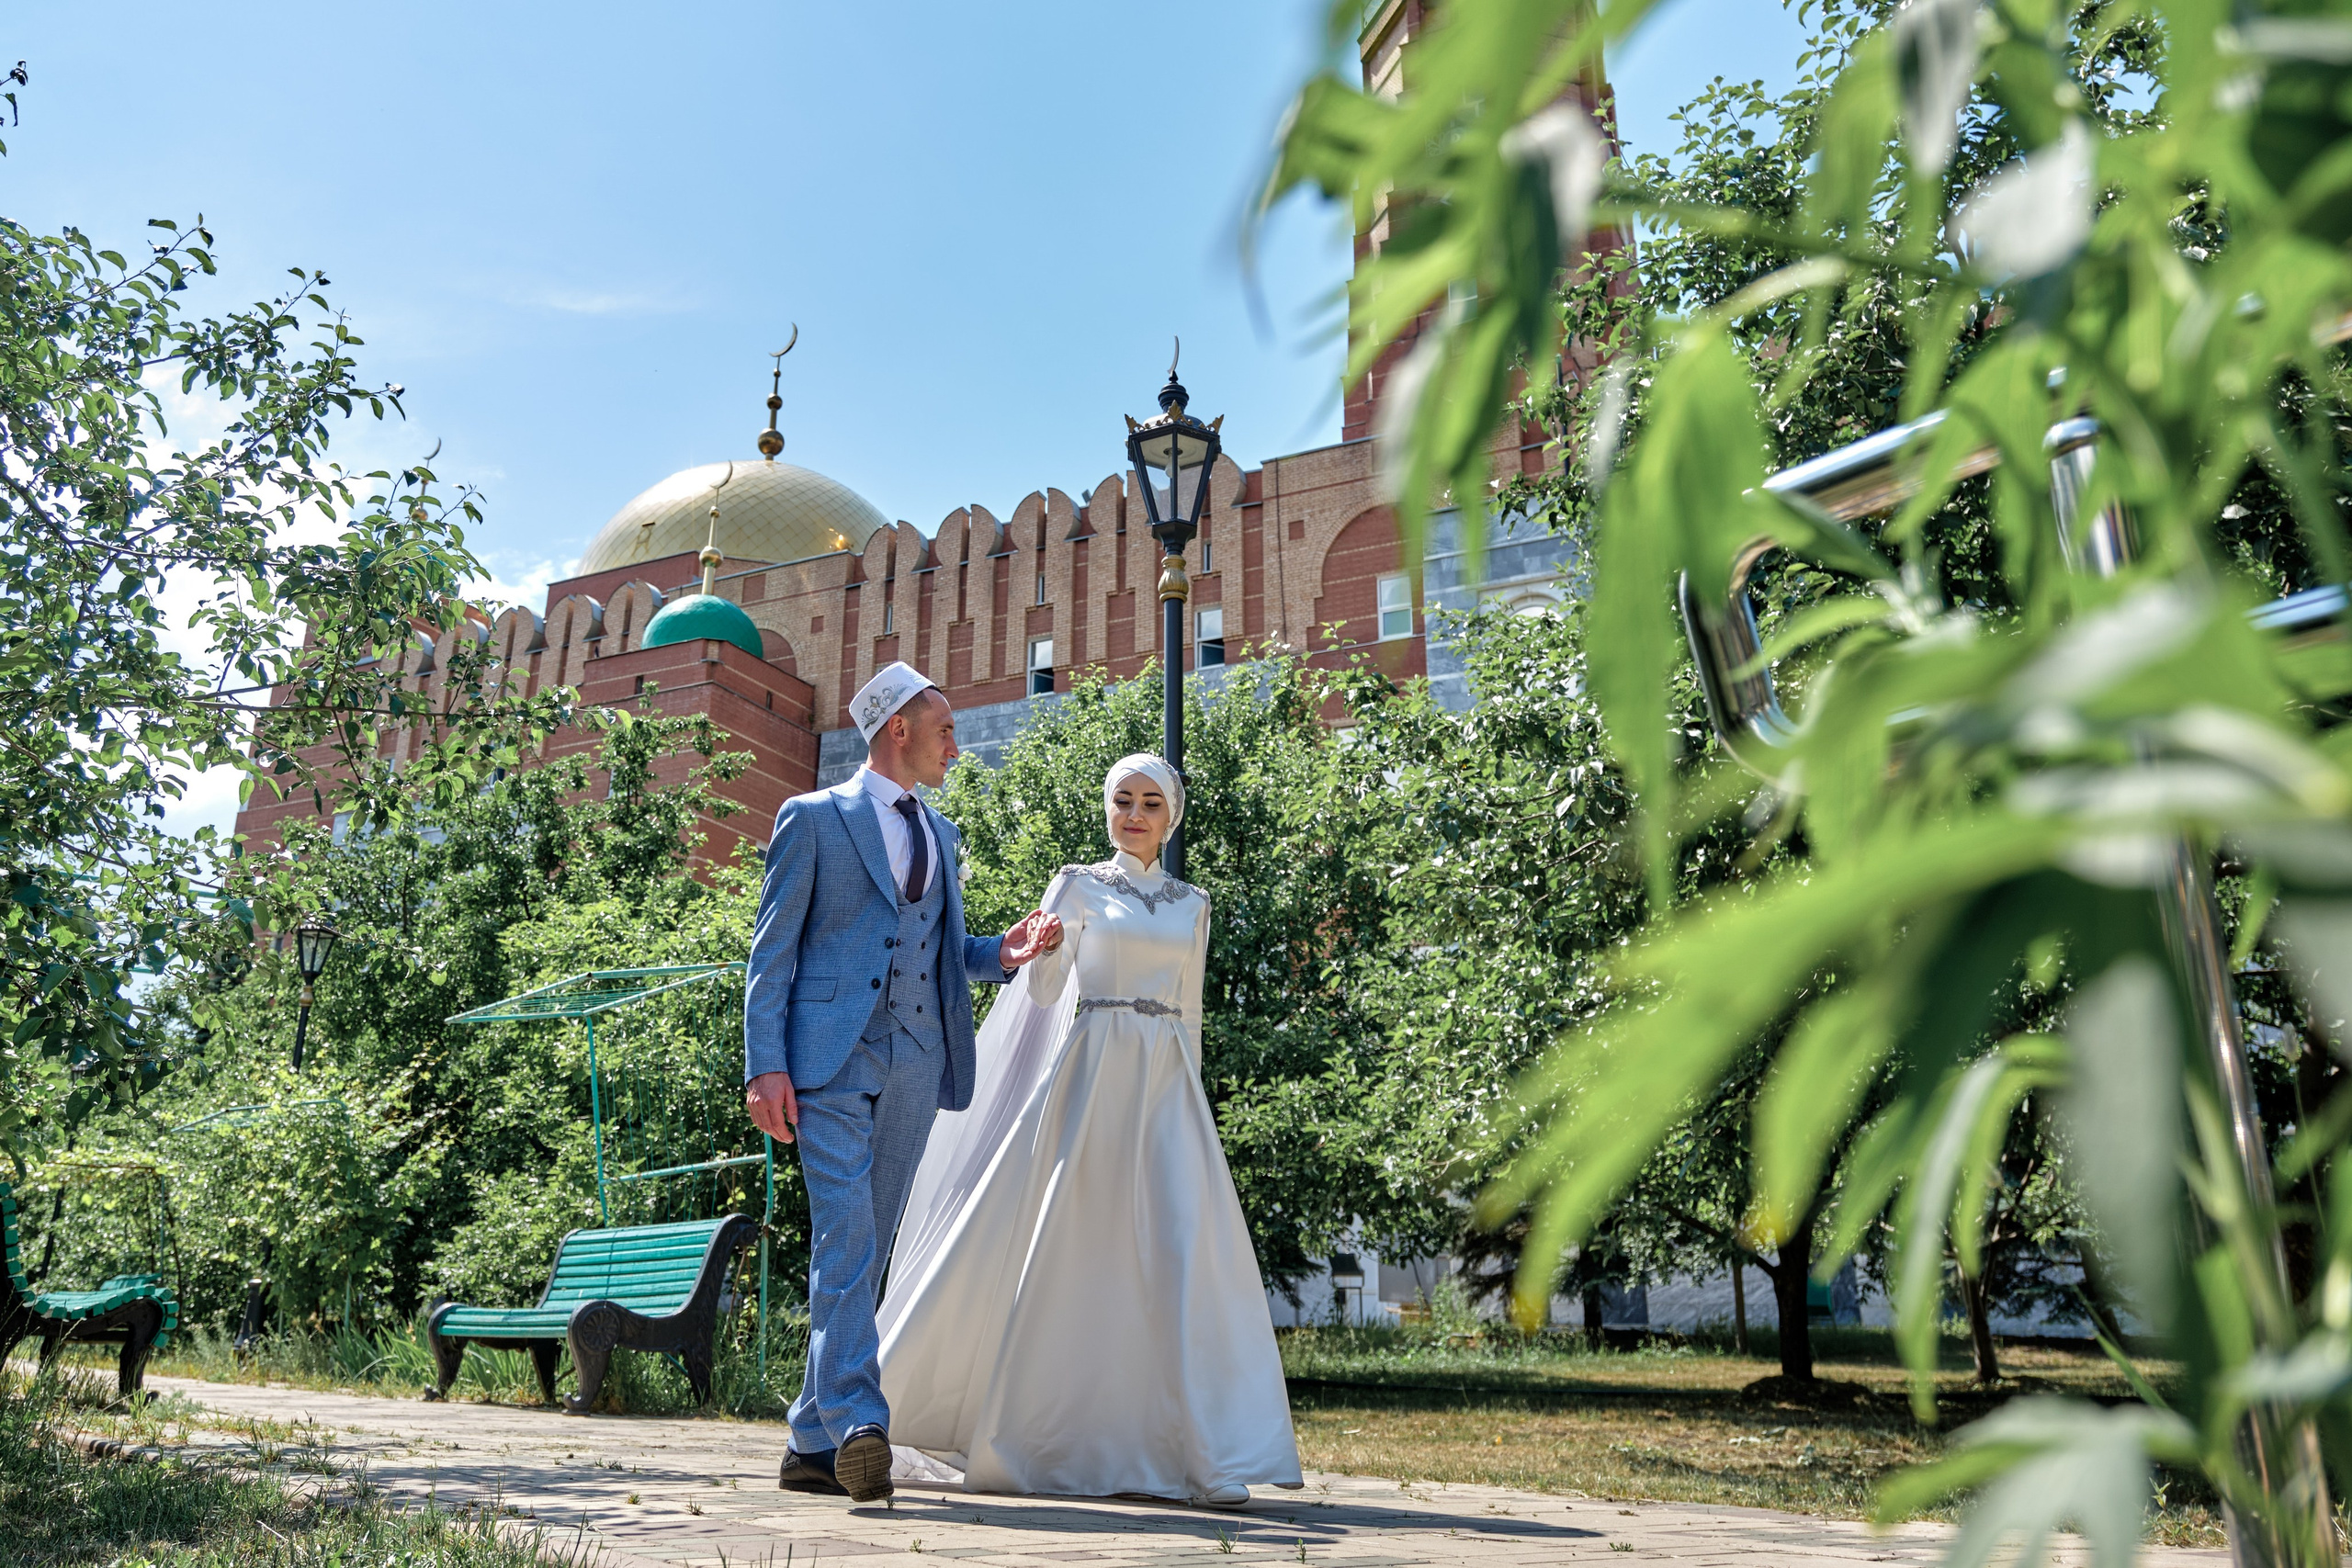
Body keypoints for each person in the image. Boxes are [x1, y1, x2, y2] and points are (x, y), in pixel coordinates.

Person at [875, 754, 1303, 1507]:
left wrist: (1193, 1102)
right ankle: (1031, 1433)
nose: (1134, 815)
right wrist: (1043, 949)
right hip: (1092, 1070)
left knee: (1174, 1249)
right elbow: (1045, 993)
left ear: (1171, 818)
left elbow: (1191, 1010)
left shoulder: (1191, 903)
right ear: (1108, 809)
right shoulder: (1077, 883)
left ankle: (1193, 1449)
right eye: (1122, 801)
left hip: (1167, 1086)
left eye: (1149, 804)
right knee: (1067, 1244)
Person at [744, 660, 1063, 1505]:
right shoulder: (812, 819)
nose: (957, 745)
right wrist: (762, 1064)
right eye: (947, 729)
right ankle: (860, 1421)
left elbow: (939, 950)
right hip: (827, 1063)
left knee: (866, 1246)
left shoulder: (945, 834)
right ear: (900, 730)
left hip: (919, 1060)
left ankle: (809, 1442)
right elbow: (772, 952)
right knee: (847, 1236)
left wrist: (1003, 951)